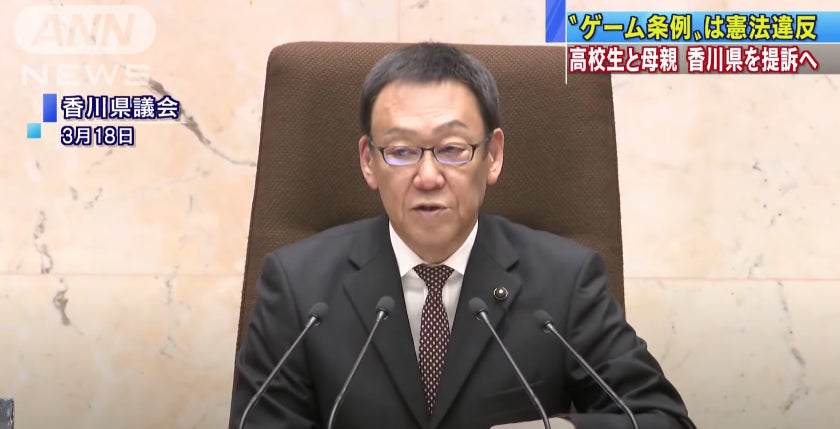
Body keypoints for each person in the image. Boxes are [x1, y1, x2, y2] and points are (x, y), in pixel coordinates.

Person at [229, 42, 696, 429]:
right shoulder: (298, 288)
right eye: (402, 150)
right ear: (368, 162)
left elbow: (662, 418)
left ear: (492, 156)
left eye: (452, 149)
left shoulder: (564, 281)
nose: (428, 176)